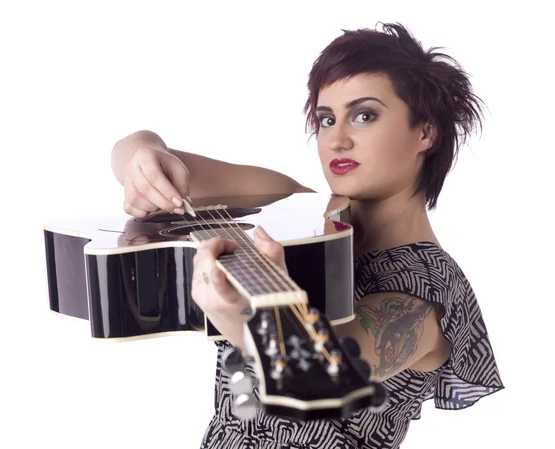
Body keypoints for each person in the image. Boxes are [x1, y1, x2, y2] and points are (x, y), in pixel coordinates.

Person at [111, 22, 504, 449]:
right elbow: (139, 151)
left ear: (425, 132)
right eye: (325, 118)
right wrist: (143, 158)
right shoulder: (293, 209)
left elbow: (319, 374)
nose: (336, 139)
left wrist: (242, 315)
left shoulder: (428, 287)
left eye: (364, 115)